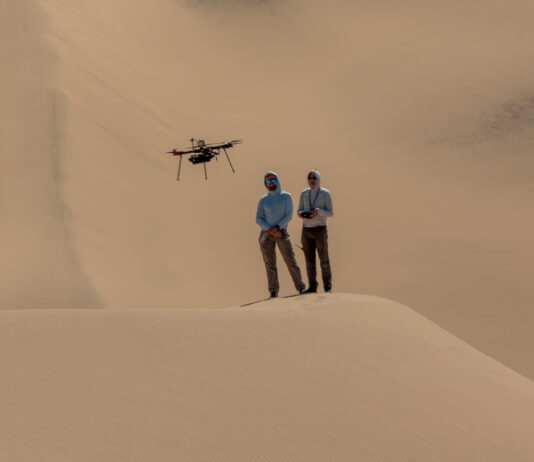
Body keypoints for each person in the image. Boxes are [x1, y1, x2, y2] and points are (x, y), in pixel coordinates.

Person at [256, 172, 306, 298]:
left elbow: (288, 216)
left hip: (281, 232)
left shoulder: (286, 196)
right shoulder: (263, 200)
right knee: (270, 264)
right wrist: (270, 229)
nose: (271, 183)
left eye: (273, 180)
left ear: (277, 180)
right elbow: (258, 218)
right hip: (266, 234)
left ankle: (301, 287)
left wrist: (277, 228)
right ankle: (273, 291)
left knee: (290, 260)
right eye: (267, 181)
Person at [297, 170, 334, 293]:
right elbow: (299, 210)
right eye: (309, 178)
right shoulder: (304, 193)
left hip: (320, 229)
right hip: (306, 230)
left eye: (314, 178)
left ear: (318, 179)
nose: (311, 180)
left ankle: (327, 287)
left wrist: (318, 211)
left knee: (324, 260)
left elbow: (331, 213)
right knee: (309, 260)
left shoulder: (325, 193)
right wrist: (302, 214)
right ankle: (312, 287)